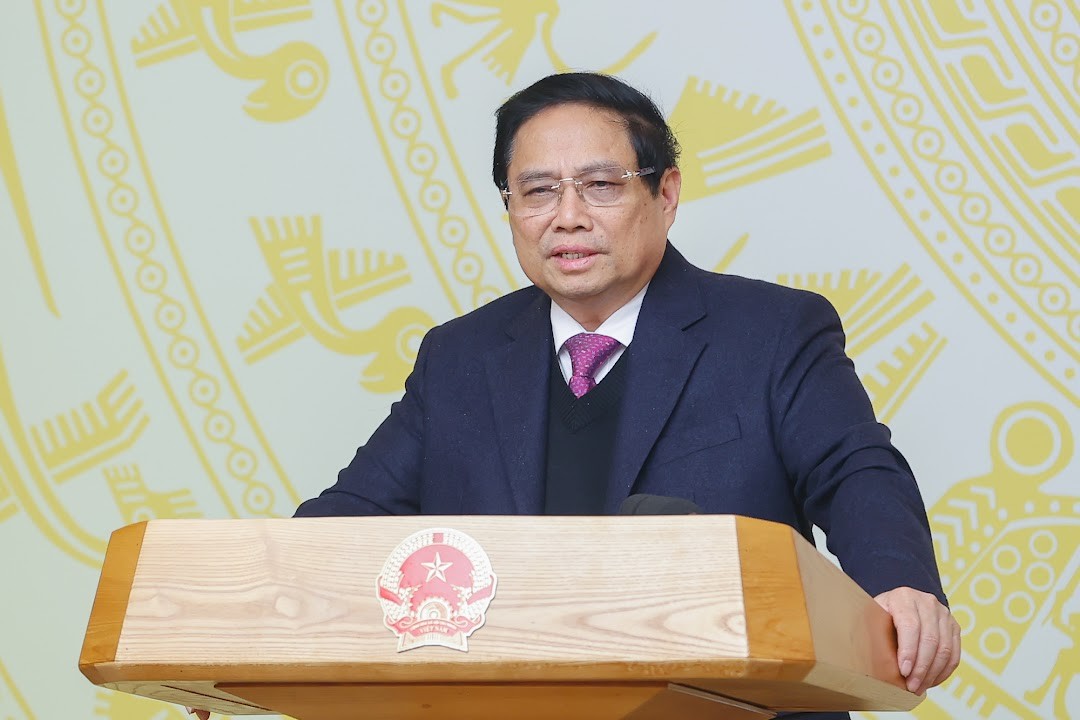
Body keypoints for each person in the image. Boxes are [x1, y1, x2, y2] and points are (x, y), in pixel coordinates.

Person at [190, 72, 961, 720]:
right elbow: (347, 521)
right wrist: (236, 632)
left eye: (599, 186)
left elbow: (856, 471)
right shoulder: (460, 358)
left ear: (666, 193)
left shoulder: (771, 332)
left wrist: (899, 587)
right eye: (537, 191)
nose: (567, 216)